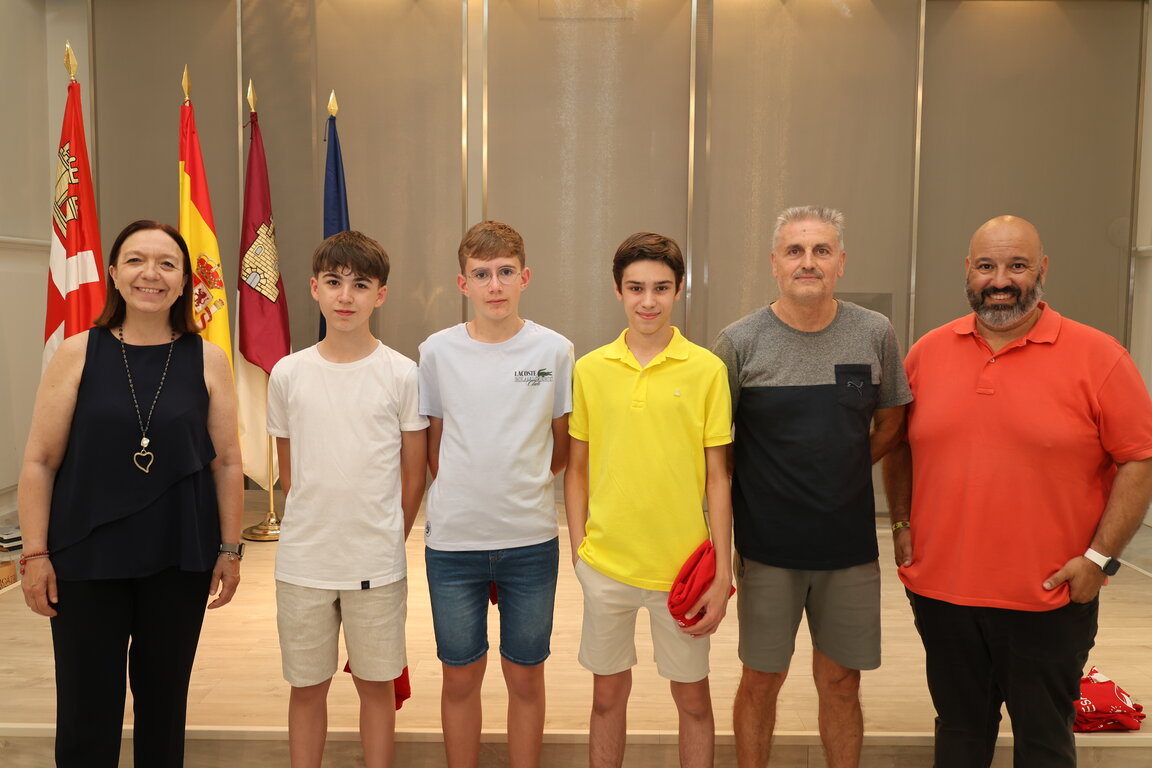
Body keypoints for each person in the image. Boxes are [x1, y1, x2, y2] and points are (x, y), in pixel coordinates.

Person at [883, 214, 1152, 768]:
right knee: (959, 736)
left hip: (1048, 597)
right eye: (987, 266)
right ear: (968, 270)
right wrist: (903, 522)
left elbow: (1139, 459)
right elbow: (899, 444)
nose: (1000, 280)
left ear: (1042, 269)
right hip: (943, 596)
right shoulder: (927, 352)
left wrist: (1099, 560)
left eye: (1017, 265)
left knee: (1044, 744)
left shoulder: (1099, 356)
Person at [17, 219, 243, 768]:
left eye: (167, 264)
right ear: (114, 275)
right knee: (86, 707)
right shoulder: (77, 352)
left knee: (164, 704)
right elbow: (40, 461)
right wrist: (34, 553)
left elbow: (228, 463)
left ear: (184, 281)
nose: (151, 274)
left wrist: (231, 549)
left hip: (179, 556)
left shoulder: (208, 358)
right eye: (137, 260)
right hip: (85, 557)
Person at [712, 206, 911, 768]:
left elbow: (892, 423)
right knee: (761, 680)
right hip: (767, 551)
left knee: (842, 682)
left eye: (821, 250)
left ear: (840, 262)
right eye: (795, 251)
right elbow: (717, 445)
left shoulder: (874, 332)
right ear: (774, 263)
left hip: (848, 551)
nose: (808, 262)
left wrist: (843, 467)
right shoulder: (739, 341)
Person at [565, 232, 733, 768]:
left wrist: (722, 570)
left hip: (683, 571)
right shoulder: (590, 369)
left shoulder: (707, 370)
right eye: (636, 287)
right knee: (606, 697)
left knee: (693, 700)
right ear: (618, 290)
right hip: (607, 566)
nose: (648, 300)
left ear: (679, 290)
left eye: (661, 287)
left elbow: (719, 478)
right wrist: (579, 552)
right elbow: (577, 469)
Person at [267, 230, 428, 768]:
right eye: (334, 282)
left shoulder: (402, 373)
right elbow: (290, 473)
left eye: (360, 285)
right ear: (314, 288)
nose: (345, 296)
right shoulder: (289, 373)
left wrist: (387, 537)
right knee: (307, 686)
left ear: (380, 295)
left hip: (376, 564)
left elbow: (414, 474)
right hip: (303, 563)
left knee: (376, 687)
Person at [418, 221, 573, 768]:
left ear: (525, 277)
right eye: (481, 274)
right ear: (463, 284)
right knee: (460, 677)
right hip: (453, 545)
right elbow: (434, 446)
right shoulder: (437, 352)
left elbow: (561, 446)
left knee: (525, 676)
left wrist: (518, 486)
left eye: (506, 272)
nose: (495, 285)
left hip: (530, 543)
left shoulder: (555, 350)